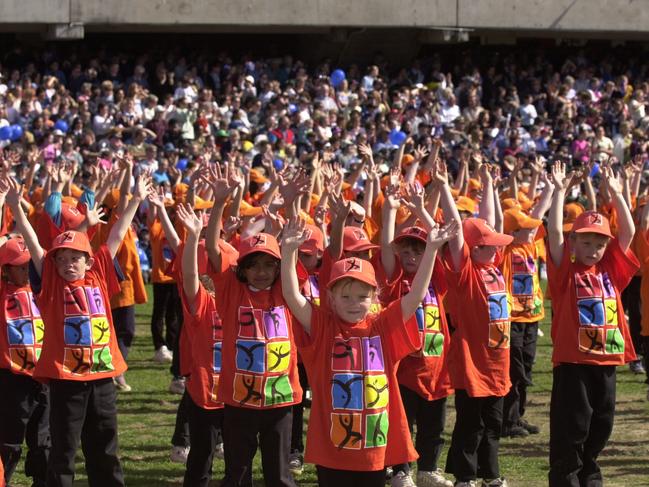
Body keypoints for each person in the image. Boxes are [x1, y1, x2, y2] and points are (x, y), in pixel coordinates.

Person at [280, 213, 458, 486]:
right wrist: (289, 252)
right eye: (346, 296)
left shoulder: (382, 325)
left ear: (374, 297)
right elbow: (293, 296)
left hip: (373, 445)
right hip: (332, 448)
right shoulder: (323, 326)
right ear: (331, 298)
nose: (354, 303)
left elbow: (416, 296)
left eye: (362, 296)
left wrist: (432, 248)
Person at [4, 172, 151, 487]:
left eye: (76, 258)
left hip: (101, 378)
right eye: (63, 259)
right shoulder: (51, 284)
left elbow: (115, 235)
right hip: (66, 382)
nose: (70, 263)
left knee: (105, 449)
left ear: (89, 261)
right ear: (53, 265)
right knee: (64, 450)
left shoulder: (98, 275)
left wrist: (136, 198)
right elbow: (33, 241)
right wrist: (16, 208)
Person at [203, 164, 302, 487]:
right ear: (241, 270)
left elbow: (293, 242)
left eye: (268, 265)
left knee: (280, 474)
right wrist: (219, 202)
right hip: (239, 399)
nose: (261, 272)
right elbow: (213, 248)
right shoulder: (231, 291)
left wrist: (293, 202)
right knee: (237, 472)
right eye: (253, 265)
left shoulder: (285, 290)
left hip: (279, 398)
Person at [546, 162, 639, 486]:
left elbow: (628, 233)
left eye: (599, 243)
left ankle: (590, 473)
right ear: (573, 244)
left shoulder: (610, 269)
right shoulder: (565, 273)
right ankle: (567, 477)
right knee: (573, 427)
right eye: (586, 242)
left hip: (607, 361)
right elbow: (555, 232)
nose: (593, 249)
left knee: (602, 424)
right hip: (574, 363)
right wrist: (558, 192)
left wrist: (616, 194)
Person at [377, 177, 453, 487]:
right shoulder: (395, 279)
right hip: (404, 368)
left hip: (437, 366)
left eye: (418, 251)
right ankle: (401, 470)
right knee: (403, 422)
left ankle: (428, 469)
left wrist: (424, 209)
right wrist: (390, 213)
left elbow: (438, 244)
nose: (411, 256)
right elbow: (385, 246)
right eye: (405, 250)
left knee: (434, 423)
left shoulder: (437, 280)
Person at [441, 163, 512, 487]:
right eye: (490, 244)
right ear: (475, 249)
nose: (498, 247)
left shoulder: (495, 266)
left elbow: (491, 222)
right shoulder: (466, 273)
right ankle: (466, 475)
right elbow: (458, 232)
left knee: (493, 422)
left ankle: (490, 473)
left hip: (499, 362)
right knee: (471, 422)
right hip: (473, 361)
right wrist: (444, 186)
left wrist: (488, 184)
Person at [499, 176, 554, 438]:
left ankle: (517, 416)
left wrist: (552, 187)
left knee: (527, 368)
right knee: (515, 371)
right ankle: (507, 420)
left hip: (533, 316)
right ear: (511, 233)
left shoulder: (531, 243)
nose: (533, 231)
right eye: (526, 229)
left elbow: (538, 213)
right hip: (513, 318)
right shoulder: (505, 251)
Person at [0, 236, 49, 487]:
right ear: (5, 269)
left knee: (42, 440)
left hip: (42, 377)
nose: (26, 271)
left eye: (29, 265)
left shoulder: (42, 289)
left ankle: (41, 481)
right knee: (9, 440)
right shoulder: (3, 293)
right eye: (20, 266)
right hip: (13, 380)